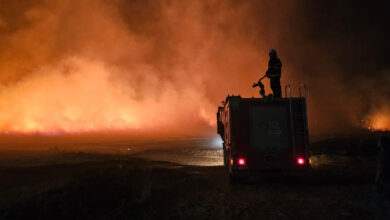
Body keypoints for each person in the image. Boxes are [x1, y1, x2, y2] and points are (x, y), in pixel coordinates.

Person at [373, 136, 390, 220]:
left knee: (377, 201)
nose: (377, 143)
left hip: (385, 182)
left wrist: (377, 182)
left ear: (381, 144)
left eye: (379, 141)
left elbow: (381, 170)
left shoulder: (382, 154)